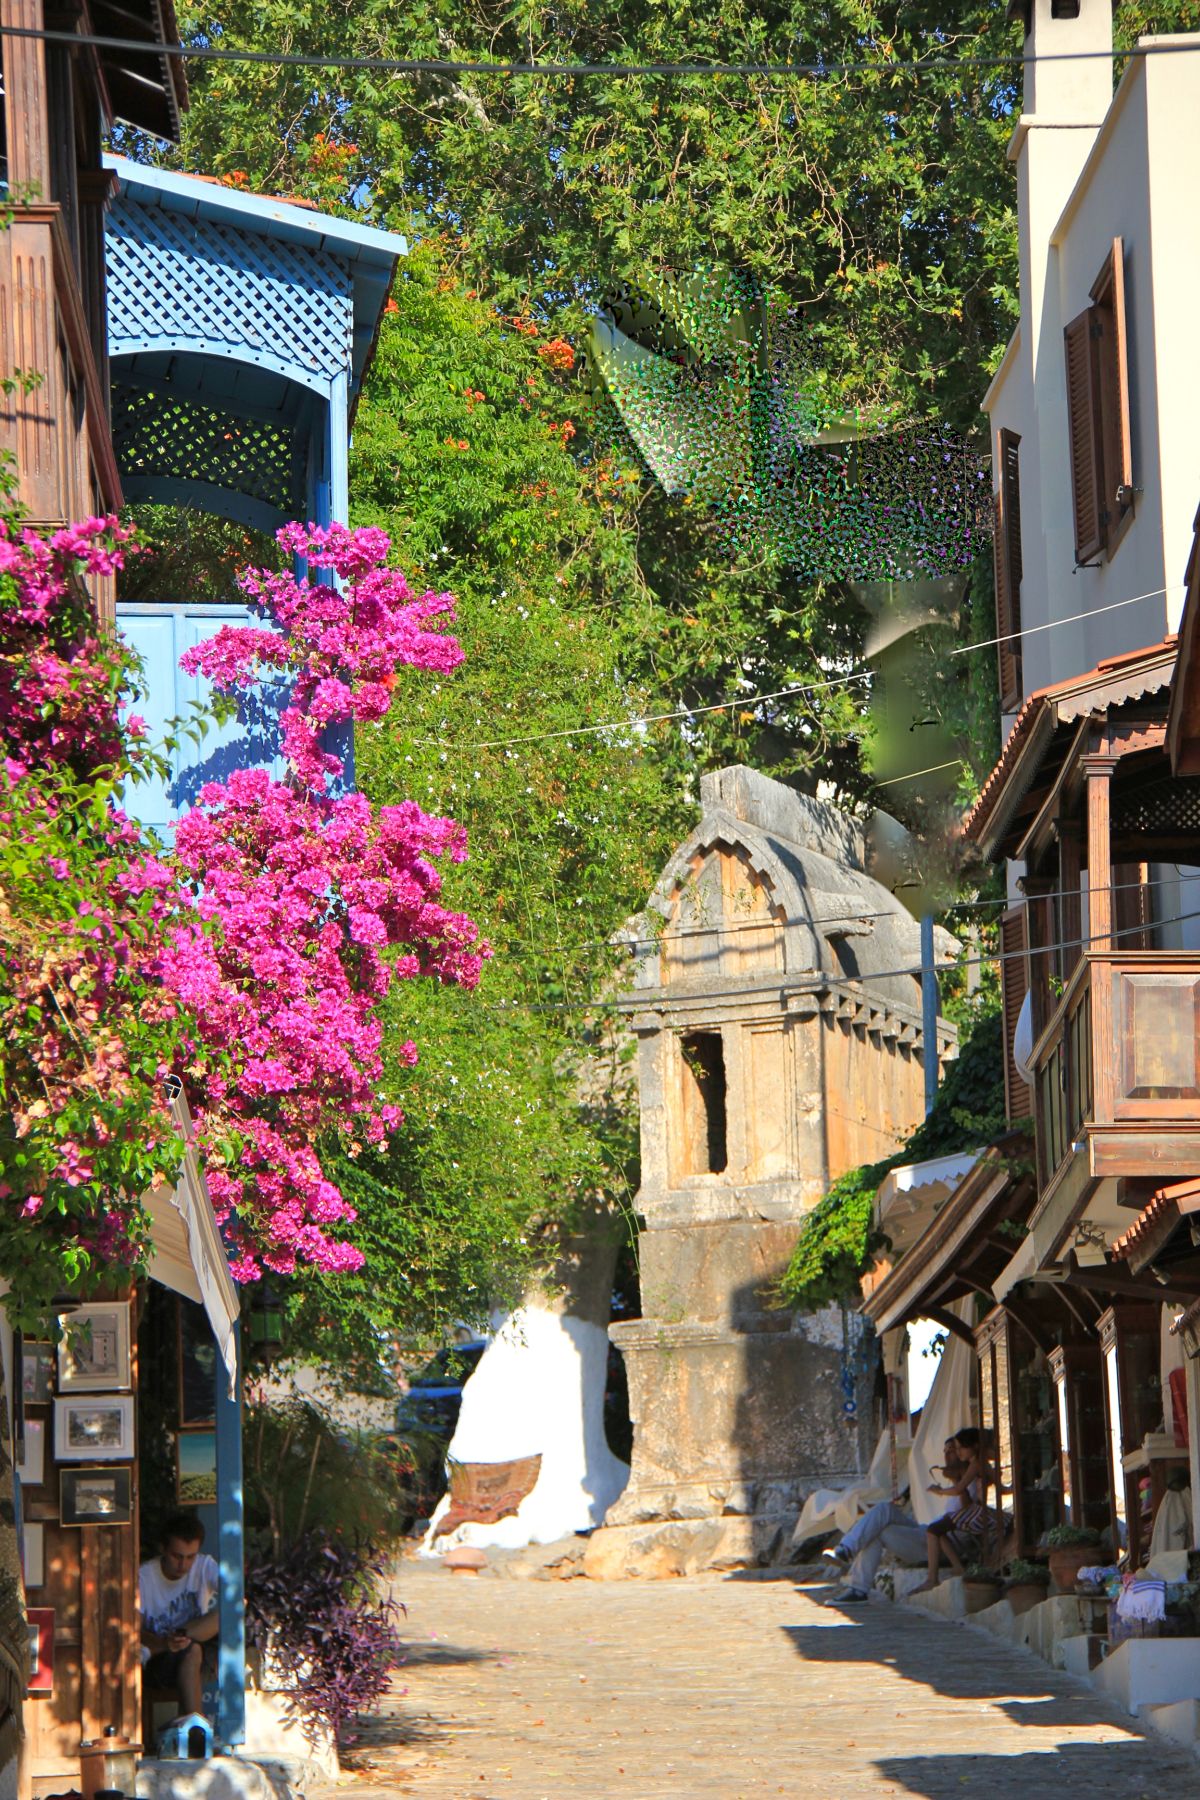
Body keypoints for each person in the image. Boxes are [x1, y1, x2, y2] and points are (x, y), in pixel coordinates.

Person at [821, 1437, 971, 1604]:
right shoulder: (959, 1480)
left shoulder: (970, 1482)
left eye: (953, 1450)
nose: (948, 1455)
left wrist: (956, 1483)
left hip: (943, 1542)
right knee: (884, 1509)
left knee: (878, 1532)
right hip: (928, 1532)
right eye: (946, 1451)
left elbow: (968, 1514)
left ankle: (858, 1588)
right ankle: (845, 1550)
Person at [139, 1511, 220, 1719]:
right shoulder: (144, 1577)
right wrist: (166, 1642)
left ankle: (193, 1730)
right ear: (163, 1549)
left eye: (190, 1557)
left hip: (196, 1646)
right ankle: (196, 1730)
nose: (183, 1565)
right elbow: (134, 1630)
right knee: (192, 1650)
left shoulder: (204, 1566)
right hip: (159, 1657)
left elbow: (235, 1596)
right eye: (177, 1556)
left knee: (195, 1645)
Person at [910, 1426, 998, 1593]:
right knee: (937, 1529)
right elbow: (1001, 1486)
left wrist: (939, 1491)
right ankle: (956, 1567)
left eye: (960, 1448)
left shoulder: (976, 1464)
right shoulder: (981, 1463)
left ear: (974, 1447)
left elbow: (959, 1489)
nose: (958, 1453)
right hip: (977, 1511)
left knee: (934, 1529)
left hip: (974, 1512)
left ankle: (932, 1579)